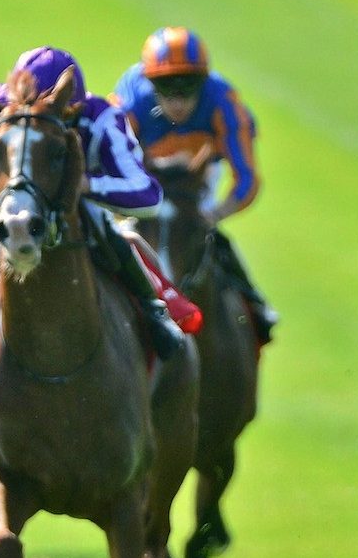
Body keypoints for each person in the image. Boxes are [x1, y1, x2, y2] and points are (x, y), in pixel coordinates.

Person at [0, 46, 183, 373]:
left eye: (62, 116)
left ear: (74, 109)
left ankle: (153, 310)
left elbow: (148, 196)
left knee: (104, 225)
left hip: (73, 198)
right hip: (11, 200)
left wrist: (84, 185)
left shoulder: (101, 119)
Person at [111, 26, 277, 342]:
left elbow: (246, 180)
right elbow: (112, 161)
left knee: (197, 229)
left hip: (200, 173)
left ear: (204, 82)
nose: (178, 100)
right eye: (166, 86)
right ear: (149, 83)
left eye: (188, 87)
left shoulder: (224, 102)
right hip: (144, 169)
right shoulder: (129, 100)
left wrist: (213, 215)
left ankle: (254, 304)